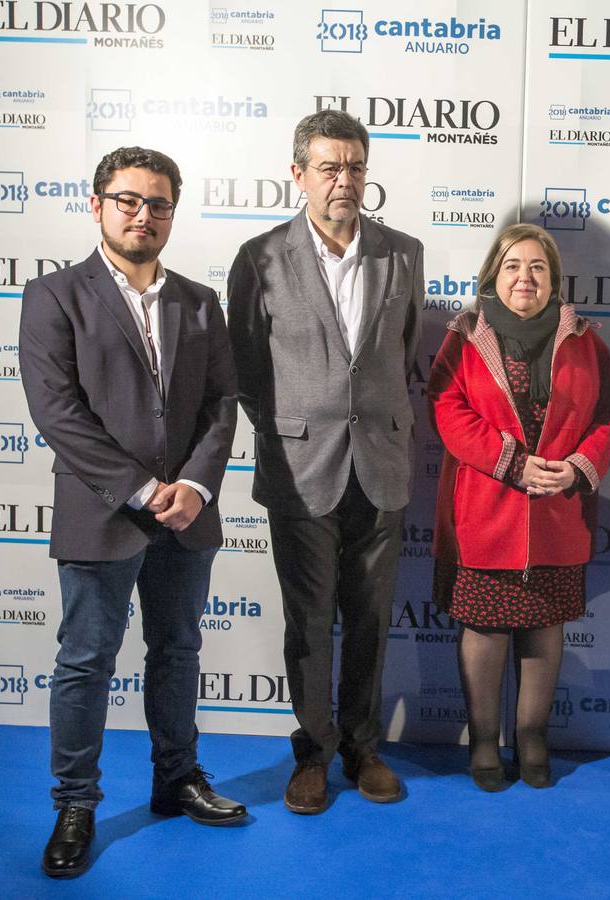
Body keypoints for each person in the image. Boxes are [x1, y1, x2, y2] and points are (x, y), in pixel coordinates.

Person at [19, 146, 244, 878]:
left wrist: (198, 487)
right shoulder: (53, 296)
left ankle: (176, 778)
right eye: (128, 201)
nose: (143, 215)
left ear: (173, 213)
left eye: (158, 204)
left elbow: (220, 404)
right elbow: (58, 413)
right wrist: (146, 490)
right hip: (102, 512)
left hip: (190, 514)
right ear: (97, 205)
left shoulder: (200, 301)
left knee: (177, 652)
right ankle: (76, 802)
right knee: (85, 661)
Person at [226, 110, 424, 813]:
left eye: (356, 166)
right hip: (299, 469)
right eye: (330, 167)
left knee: (370, 618)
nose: (345, 180)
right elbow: (247, 369)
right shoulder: (259, 257)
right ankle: (311, 754)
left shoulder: (403, 252)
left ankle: (363, 748)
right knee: (308, 623)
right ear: (299, 174)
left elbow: (400, 355)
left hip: (380, 464)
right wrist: (291, 434)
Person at [429, 224, 610, 791]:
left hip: (558, 511)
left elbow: (609, 419)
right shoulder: (464, 335)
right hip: (487, 508)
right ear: (494, 273)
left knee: (543, 627)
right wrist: (510, 461)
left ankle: (533, 735)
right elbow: (447, 408)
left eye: (538, 268)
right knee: (486, 628)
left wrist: (579, 467)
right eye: (513, 266)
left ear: (554, 280)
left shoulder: (586, 339)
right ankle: (485, 742)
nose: (525, 278)